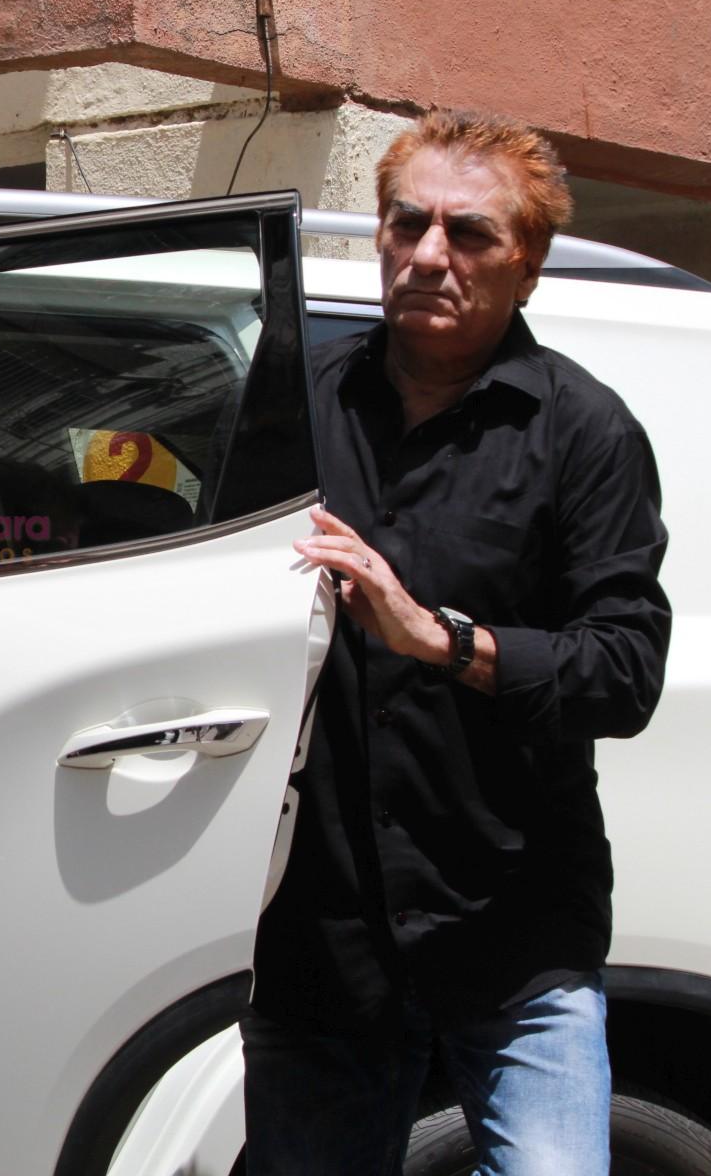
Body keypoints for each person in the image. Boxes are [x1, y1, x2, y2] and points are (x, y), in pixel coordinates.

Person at [243, 110, 672, 1173]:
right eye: (408, 224)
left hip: (513, 929)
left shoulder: (585, 429)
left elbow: (624, 671)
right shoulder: (291, 403)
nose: (430, 254)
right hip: (321, 939)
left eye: (469, 234)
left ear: (527, 267)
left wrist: (441, 638)